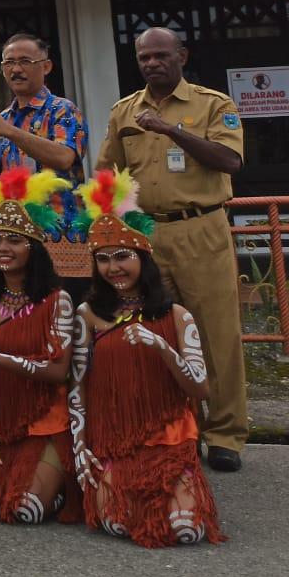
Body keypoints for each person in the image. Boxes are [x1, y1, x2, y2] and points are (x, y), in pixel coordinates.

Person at [95, 26, 246, 473]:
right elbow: (107, 176)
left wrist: (169, 129)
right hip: (146, 235)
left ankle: (225, 434)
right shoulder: (125, 111)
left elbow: (230, 160)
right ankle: (178, 428)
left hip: (201, 229)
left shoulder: (213, 104)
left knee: (215, 335)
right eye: (144, 58)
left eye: (161, 55)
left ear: (182, 56)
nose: (152, 63)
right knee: (156, 332)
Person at [69, 169, 224, 547]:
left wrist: (162, 347)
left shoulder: (177, 316)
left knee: (187, 529)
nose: (113, 268)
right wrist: (80, 446)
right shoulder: (87, 314)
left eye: (123, 256)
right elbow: (77, 385)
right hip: (112, 440)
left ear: (143, 257)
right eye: (103, 259)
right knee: (117, 523)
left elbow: (200, 389)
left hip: (169, 440)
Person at [0, 167, 81, 525]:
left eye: (14, 240)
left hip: (47, 422)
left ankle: (60, 486)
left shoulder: (57, 301)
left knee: (26, 509)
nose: (3, 249)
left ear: (33, 246)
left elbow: (58, 372)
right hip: (1, 419)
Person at [0, 34, 87, 178]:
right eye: (9, 62)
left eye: (25, 61)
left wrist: (9, 130)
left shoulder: (63, 109)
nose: (16, 69)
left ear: (46, 67)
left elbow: (64, 158)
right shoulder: (3, 118)